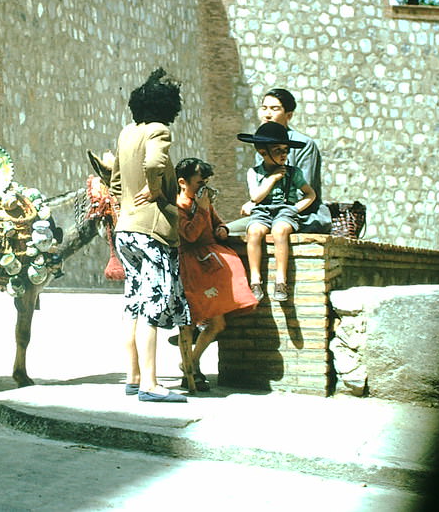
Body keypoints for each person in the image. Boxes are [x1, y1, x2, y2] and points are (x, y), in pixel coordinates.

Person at [110, 67, 190, 403]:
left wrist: (125, 205)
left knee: (134, 303)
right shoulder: (159, 131)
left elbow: (114, 181)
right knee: (152, 307)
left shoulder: (127, 133)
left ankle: (134, 377)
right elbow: (156, 163)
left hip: (125, 229)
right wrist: (155, 190)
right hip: (151, 231)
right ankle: (151, 385)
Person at [172, 157, 258, 391]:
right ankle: (191, 370)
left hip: (209, 264)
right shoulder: (178, 206)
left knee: (217, 323)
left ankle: (190, 362)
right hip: (191, 268)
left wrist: (221, 228)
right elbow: (189, 234)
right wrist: (200, 210)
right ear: (183, 182)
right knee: (188, 323)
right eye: (199, 182)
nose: (203, 187)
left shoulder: (203, 201)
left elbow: (217, 222)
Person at [228, 88, 331, 235]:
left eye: (274, 109)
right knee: (225, 232)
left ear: (288, 115)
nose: (267, 114)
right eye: (264, 108)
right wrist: (255, 203)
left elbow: (305, 191)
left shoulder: (304, 144)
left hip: (300, 213)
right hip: (266, 213)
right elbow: (262, 185)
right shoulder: (263, 142)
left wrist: (281, 210)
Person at [237, 121, 317, 302]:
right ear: (263, 152)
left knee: (279, 231)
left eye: (286, 150)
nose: (283, 155)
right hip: (262, 210)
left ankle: (281, 280)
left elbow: (310, 194)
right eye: (277, 150)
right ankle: (255, 280)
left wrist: (295, 208)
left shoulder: (293, 173)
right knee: (254, 231)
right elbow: (256, 197)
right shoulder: (254, 173)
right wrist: (271, 179)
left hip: (284, 211)